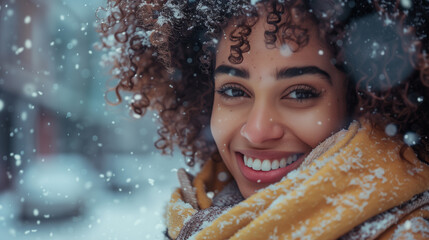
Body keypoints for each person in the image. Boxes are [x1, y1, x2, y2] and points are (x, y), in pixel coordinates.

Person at [97, 0, 429, 239]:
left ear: (364, 102)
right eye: (234, 91)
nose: (257, 131)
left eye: (300, 93)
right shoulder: (193, 218)